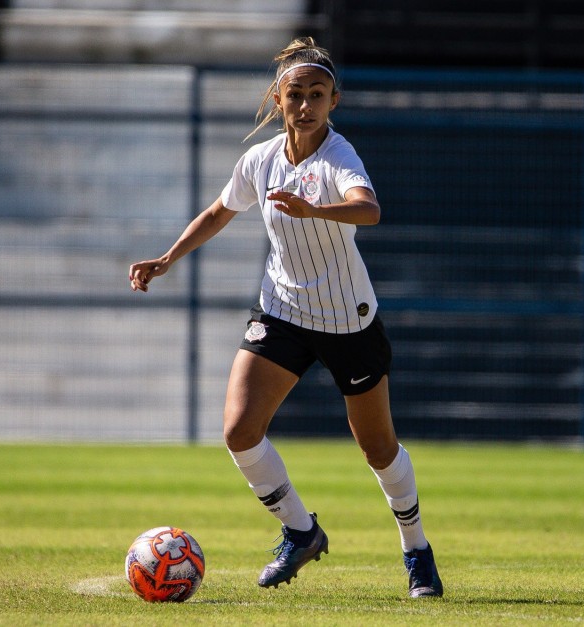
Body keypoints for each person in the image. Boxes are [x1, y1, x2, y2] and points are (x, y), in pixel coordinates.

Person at [128, 37, 443, 599]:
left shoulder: (338, 156)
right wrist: (168, 258)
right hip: (282, 311)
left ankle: (416, 550)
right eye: (295, 94)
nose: (305, 105)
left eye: (316, 95)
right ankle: (300, 531)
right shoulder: (261, 158)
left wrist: (315, 208)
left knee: (378, 448)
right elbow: (221, 210)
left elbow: (369, 208)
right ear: (278, 98)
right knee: (240, 429)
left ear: (334, 101)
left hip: (348, 319)